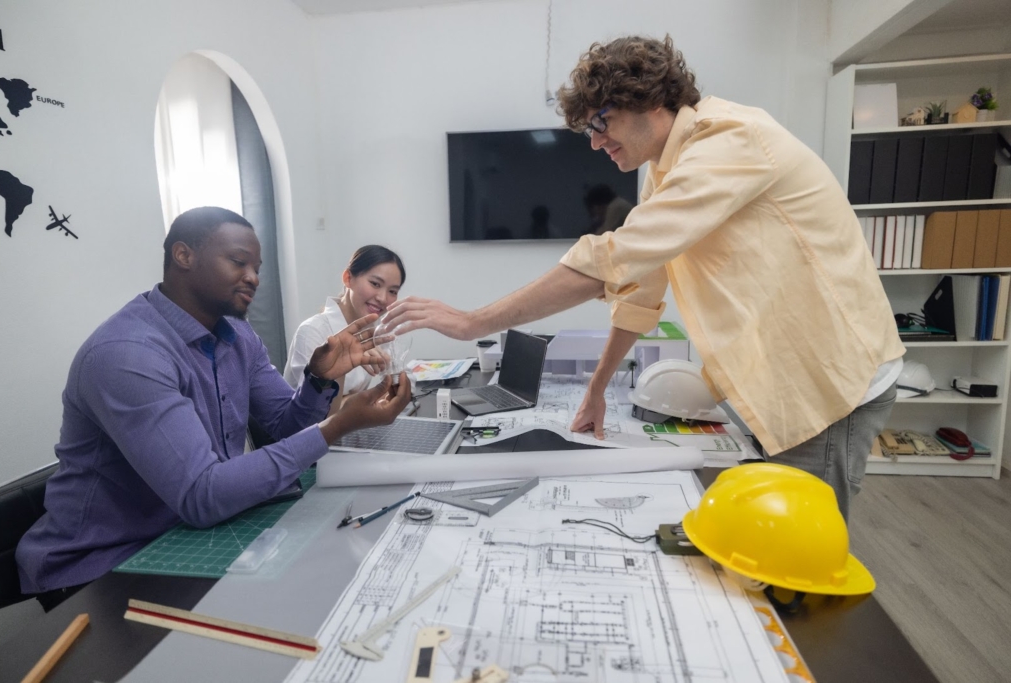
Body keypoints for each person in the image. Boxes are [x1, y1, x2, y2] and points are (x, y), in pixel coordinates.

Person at [383, 35, 904, 519]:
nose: (594, 142)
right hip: (774, 383)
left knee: (797, 551)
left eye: (600, 123)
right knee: (763, 531)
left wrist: (476, 321)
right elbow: (641, 286)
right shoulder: (664, 170)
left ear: (650, 100)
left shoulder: (730, 140)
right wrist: (597, 387)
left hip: (827, 384)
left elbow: (615, 256)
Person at [16, 207, 410, 609]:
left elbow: (282, 426)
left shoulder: (238, 334)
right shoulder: (125, 355)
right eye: (239, 262)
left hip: (188, 532)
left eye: (256, 267)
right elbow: (202, 494)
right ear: (183, 256)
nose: (254, 277)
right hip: (101, 567)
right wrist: (336, 426)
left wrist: (319, 381)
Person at [283, 245, 406, 400]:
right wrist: (368, 400)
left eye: (392, 291)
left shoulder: (376, 331)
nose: (382, 298)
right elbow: (310, 409)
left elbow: (390, 385)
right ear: (348, 278)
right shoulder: (312, 332)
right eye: (375, 284)